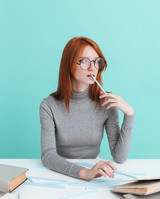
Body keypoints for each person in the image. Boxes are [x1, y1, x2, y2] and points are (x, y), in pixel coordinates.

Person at [40, 36, 135, 181]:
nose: (93, 68)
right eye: (84, 61)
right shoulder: (48, 105)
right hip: (60, 170)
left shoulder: (107, 104)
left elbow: (119, 157)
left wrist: (129, 114)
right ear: (68, 65)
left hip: (96, 173)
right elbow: (48, 155)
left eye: (96, 62)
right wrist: (84, 173)